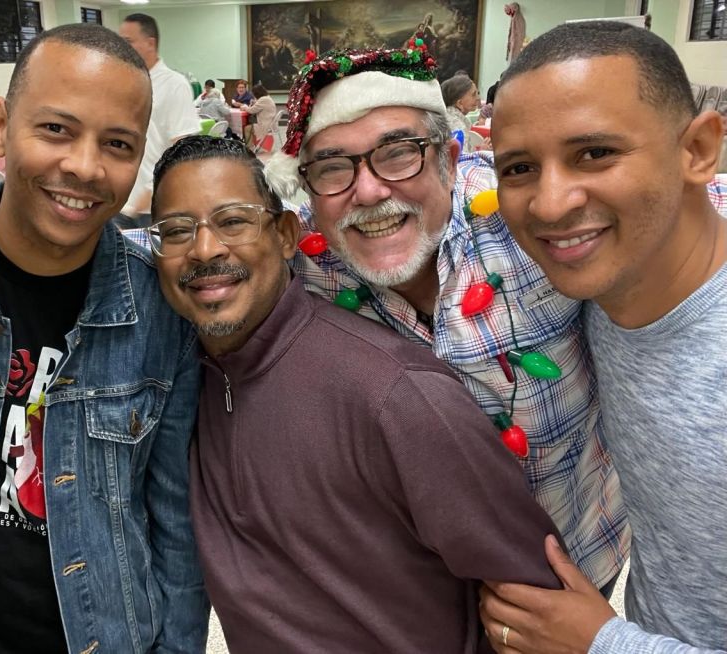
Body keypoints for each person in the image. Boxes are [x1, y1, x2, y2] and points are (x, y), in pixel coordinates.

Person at [147, 134, 562, 651]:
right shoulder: (183, 383)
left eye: (233, 221)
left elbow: (541, 600)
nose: (205, 249)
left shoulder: (395, 393)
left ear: (284, 234)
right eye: (177, 231)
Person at [261, 47, 630, 598]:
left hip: (578, 558)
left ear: (450, 161)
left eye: (398, 154)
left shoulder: (526, 218)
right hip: (424, 595)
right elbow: (179, 247)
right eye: (333, 167)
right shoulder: (303, 257)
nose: (369, 191)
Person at [0, 24, 208, 654]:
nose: (85, 167)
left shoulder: (163, 309)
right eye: (57, 129)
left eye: (117, 144)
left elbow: (175, 522)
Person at [480, 21, 727, 653]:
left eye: (595, 153)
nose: (550, 204)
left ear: (698, 150)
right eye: (520, 168)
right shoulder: (597, 286)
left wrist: (601, 644)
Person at [117, 13, 198, 228]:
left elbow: (183, 151)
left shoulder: (174, 85)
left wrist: (149, 193)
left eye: (128, 41)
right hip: (119, 201)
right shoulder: (123, 83)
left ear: (150, 43)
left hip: (151, 207)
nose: (121, 48)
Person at [441, 73, 484, 151]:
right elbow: (462, 157)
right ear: (459, 103)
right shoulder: (457, 126)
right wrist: (481, 151)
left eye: (478, 93)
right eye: (473, 94)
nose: (478, 98)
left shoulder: (447, 116)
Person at [242, 83, 277, 151]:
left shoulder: (263, 99)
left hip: (265, 125)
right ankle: (252, 146)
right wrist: (255, 102)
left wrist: (245, 107)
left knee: (247, 128)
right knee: (250, 125)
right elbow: (259, 106)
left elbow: (251, 111)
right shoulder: (267, 98)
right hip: (269, 123)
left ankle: (249, 149)